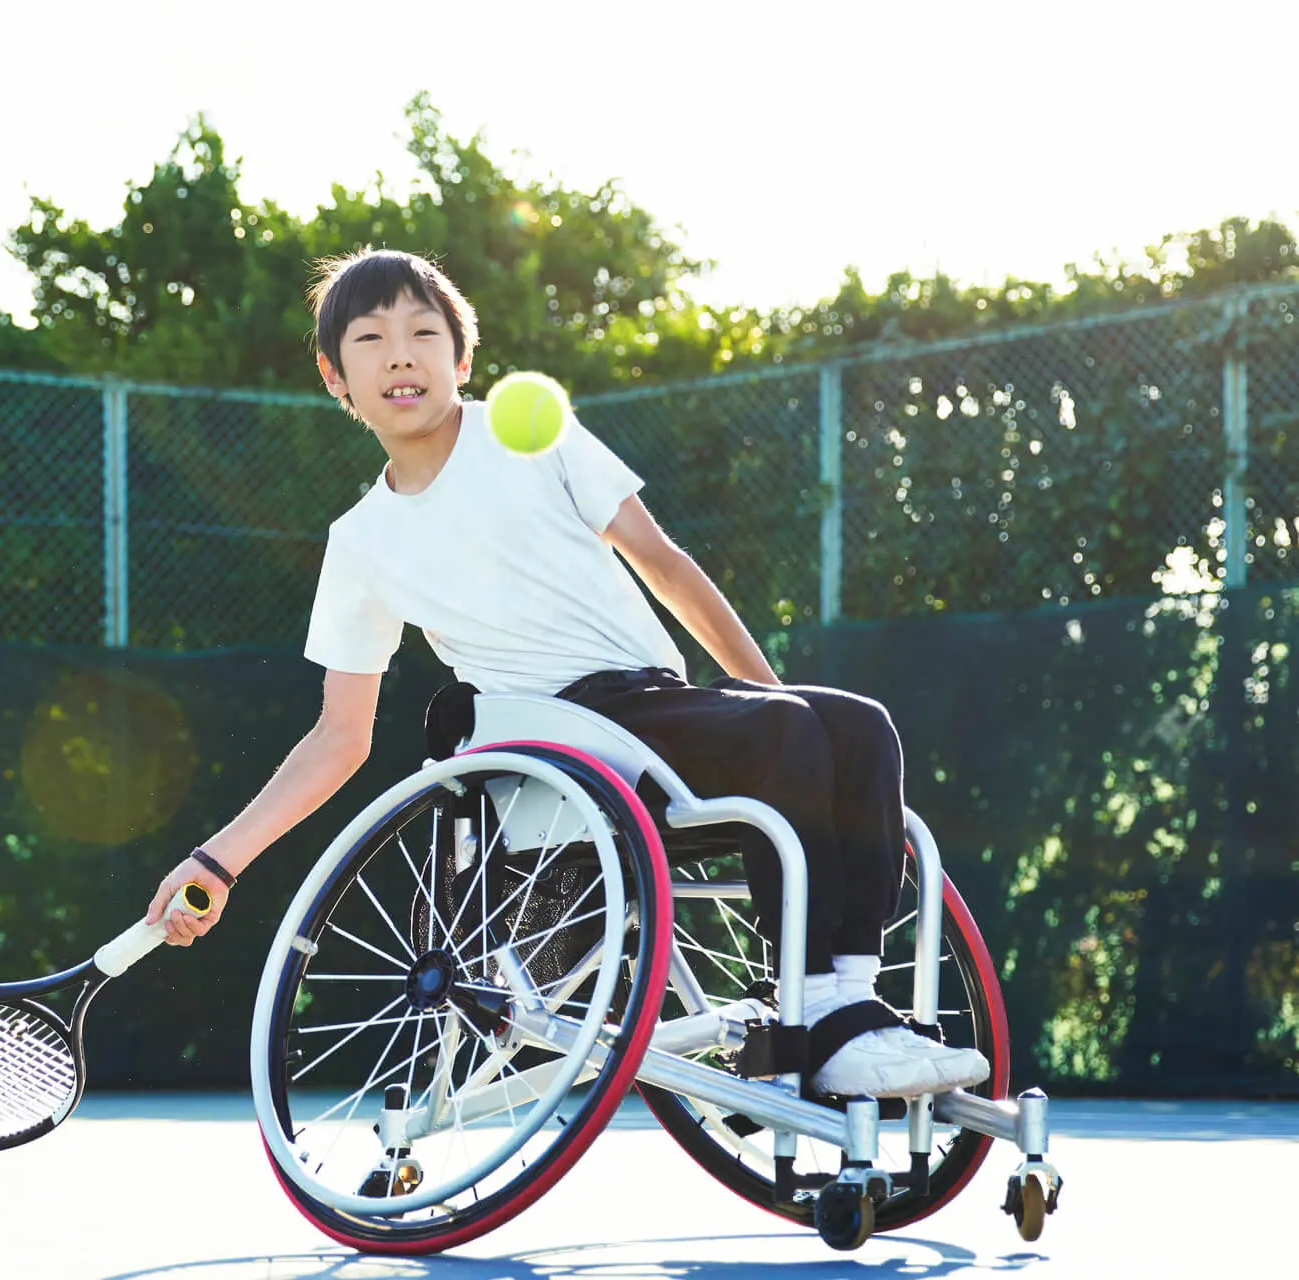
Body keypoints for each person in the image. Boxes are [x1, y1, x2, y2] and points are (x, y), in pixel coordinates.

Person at [143, 247, 987, 1098]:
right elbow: (338, 735)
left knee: (856, 723)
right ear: (336, 377)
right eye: (370, 338)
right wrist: (216, 863)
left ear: (461, 360)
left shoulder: (533, 434)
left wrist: (769, 693)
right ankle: (818, 1016)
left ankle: (851, 1004)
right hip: (560, 749)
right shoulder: (360, 542)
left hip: (658, 712)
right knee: (794, 728)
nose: (400, 353)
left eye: (423, 331)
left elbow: (663, 564)